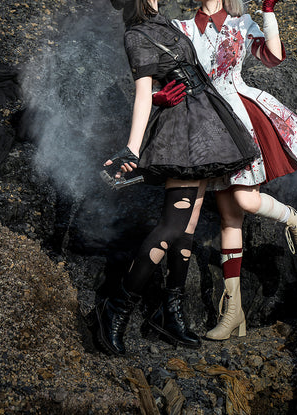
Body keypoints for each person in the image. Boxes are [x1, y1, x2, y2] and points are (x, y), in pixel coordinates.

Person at [90, 0, 260, 355]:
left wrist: (160, 94)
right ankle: (116, 307)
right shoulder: (137, 34)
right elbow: (142, 94)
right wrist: (132, 148)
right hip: (183, 134)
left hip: (204, 124)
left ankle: (170, 312)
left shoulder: (165, 24)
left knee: (187, 226)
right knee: (171, 227)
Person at [154, 0, 297, 340]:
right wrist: (161, 96)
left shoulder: (242, 23)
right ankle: (234, 312)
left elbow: (273, 58)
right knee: (230, 218)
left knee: (246, 200)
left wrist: (268, 12)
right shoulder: (181, 28)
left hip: (239, 120)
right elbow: (164, 76)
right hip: (204, 126)